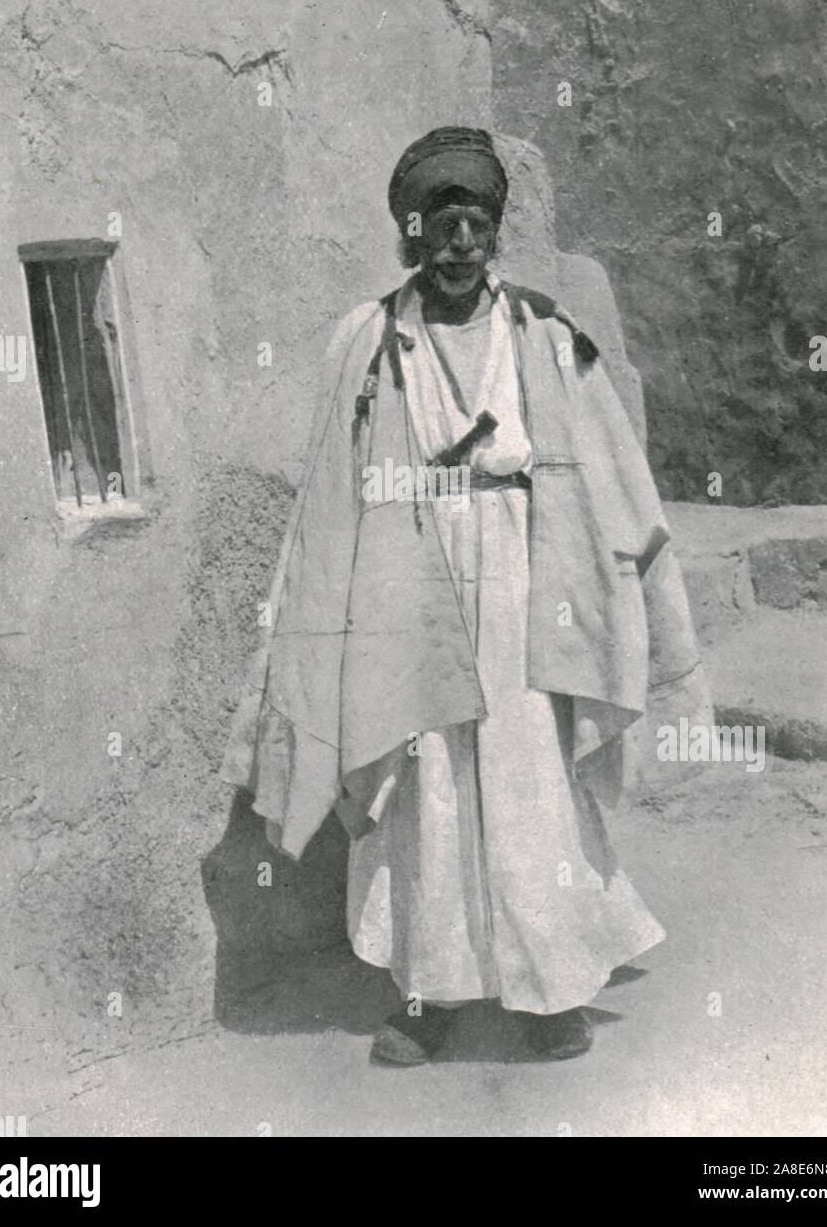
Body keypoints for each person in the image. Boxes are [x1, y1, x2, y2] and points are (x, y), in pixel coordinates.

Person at [223, 126, 710, 1065]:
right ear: (412, 232)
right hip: (407, 577)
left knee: (530, 782)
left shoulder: (544, 334)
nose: (457, 241)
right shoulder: (366, 342)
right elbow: (332, 483)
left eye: (475, 222)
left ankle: (549, 988)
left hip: (525, 585)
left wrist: (630, 598)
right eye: (439, 222)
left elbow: (610, 471)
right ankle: (426, 992)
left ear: (495, 232)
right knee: (423, 788)